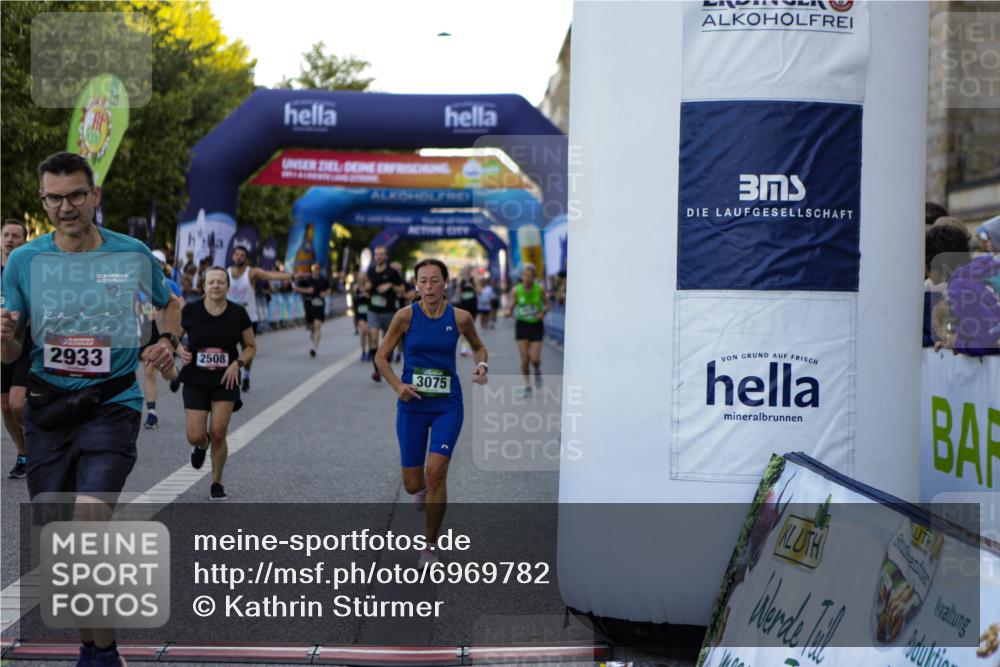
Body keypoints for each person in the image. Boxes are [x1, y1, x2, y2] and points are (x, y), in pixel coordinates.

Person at [0, 151, 180, 667]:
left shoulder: (132, 254)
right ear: (43, 202)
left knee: (86, 524)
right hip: (48, 408)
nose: (66, 206)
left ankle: (98, 655)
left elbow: (168, 302)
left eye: (76, 194)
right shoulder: (23, 262)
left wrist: (166, 338)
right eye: (54, 198)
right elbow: (10, 353)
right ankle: (99, 650)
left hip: (112, 403)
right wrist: (7, 341)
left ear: (95, 195)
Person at [374, 258, 488, 566]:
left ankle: (429, 546)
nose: (428, 287)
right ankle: (420, 490)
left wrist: (481, 366)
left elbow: (479, 347)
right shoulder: (404, 317)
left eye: (434, 280)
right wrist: (398, 387)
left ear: (445, 283)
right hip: (412, 406)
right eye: (422, 281)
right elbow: (381, 357)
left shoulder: (460, 317)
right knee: (414, 483)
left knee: (436, 473)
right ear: (415, 285)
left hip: (447, 405)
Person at [176, 267, 255, 500]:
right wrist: (181, 350)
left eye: (221, 282)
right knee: (195, 435)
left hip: (225, 379)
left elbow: (250, 346)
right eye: (211, 282)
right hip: (196, 379)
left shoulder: (238, 313)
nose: (216, 286)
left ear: (227, 286)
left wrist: (237, 363)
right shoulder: (190, 311)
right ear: (204, 286)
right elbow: (174, 338)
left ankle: (216, 482)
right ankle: (201, 446)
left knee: (219, 432)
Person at [227, 245, 294, 391]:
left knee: (247, 349)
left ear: (246, 258)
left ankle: (246, 375)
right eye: (236, 254)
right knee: (227, 349)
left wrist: (291, 276)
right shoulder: (225, 273)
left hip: (248, 319)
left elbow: (271, 275)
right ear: (233, 256)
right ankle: (230, 375)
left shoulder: (252, 273)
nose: (239, 257)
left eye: (242, 255)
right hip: (228, 320)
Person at [1, 219, 30, 478]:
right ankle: (23, 453)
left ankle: (41, 444)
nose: (10, 240)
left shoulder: (28, 271)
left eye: (16, 236)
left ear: (24, 242)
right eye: (6, 235)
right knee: (6, 408)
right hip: (1, 346)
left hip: (25, 344)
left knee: (18, 404)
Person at [141, 250, 183, 429]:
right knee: (149, 370)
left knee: (166, 370)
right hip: (146, 331)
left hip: (164, 331)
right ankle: (152, 413)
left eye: (158, 262)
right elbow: (137, 307)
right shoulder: (139, 284)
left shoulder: (171, 284)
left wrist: (174, 335)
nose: (154, 264)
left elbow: (180, 306)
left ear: (163, 266)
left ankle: (175, 374)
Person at [503, 264, 550, 396]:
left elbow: (548, 304)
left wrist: (544, 312)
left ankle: (537, 370)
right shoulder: (516, 290)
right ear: (521, 277)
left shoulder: (539, 289)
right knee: (525, 359)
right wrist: (508, 311)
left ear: (534, 277)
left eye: (530, 276)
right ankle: (527, 385)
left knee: (534, 359)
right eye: (525, 276)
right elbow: (511, 306)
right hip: (522, 325)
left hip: (536, 325)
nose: (527, 278)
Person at [366, 246, 405, 382]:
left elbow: (401, 290)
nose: (378, 257)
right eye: (376, 255)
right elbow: (366, 287)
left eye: (381, 255)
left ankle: (384, 364)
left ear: (386, 257)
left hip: (388, 312)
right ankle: (377, 369)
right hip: (373, 310)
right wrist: (365, 287)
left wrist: (390, 286)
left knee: (388, 342)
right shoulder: (370, 272)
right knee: (372, 337)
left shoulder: (392, 272)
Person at [293, 263, 331, 357]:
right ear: (312, 270)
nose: (316, 271)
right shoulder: (307, 280)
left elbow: (329, 290)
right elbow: (295, 288)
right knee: (311, 327)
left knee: (317, 325)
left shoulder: (323, 279)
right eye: (314, 269)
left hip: (319, 304)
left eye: (318, 269)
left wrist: (325, 294)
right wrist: (307, 291)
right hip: (309, 304)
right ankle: (313, 342)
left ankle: (314, 348)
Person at [455, 266, 478, 357]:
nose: (466, 272)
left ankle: (473, 348)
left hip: (473, 304)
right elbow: (458, 292)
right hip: (464, 304)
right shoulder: (460, 280)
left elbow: (479, 290)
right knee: (464, 326)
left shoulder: (474, 279)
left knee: (472, 327)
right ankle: (464, 348)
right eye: (464, 270)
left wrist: (472, 287)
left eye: (467, 270)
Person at [353, 273, 372, 361]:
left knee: (369, 333)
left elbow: (373, 298)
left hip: (369, 312)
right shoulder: (355, 287)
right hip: (360, 312)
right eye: (360, 278)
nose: (362, 279)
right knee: (363, 331)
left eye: (363, 278)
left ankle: (369, 351)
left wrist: (367, 295)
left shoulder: (370, 287)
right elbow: (353, 298)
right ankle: (363, 351)